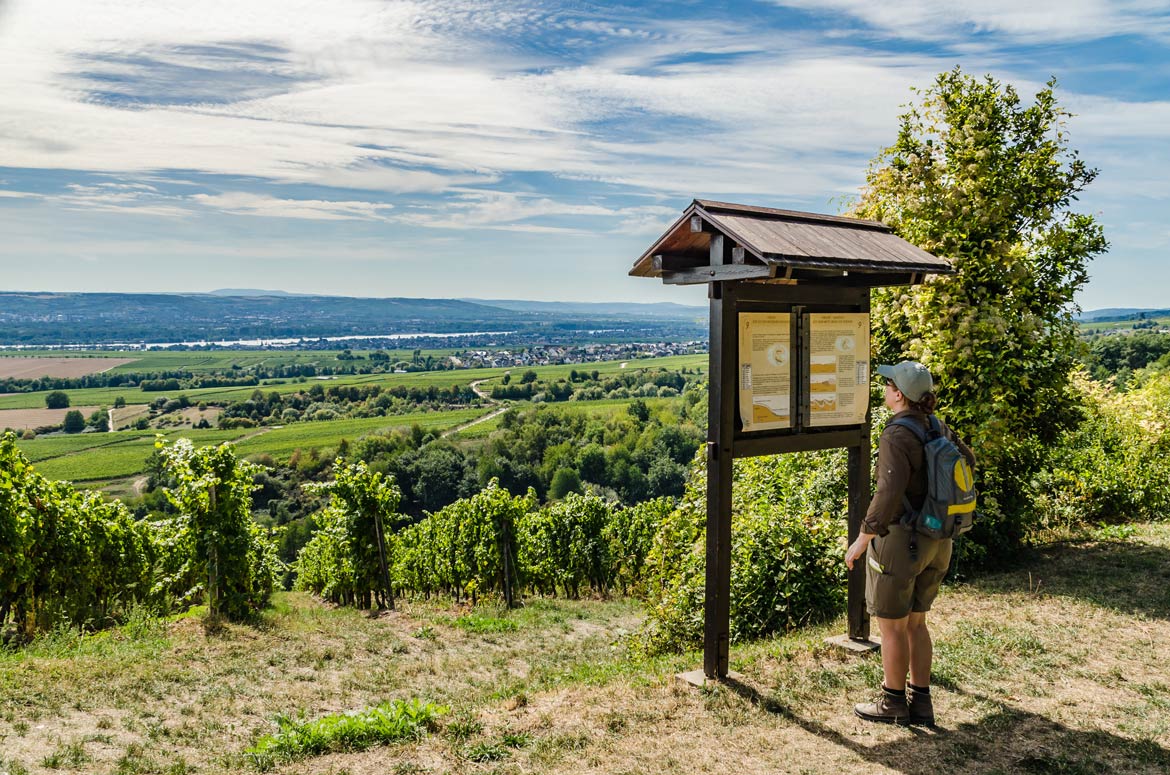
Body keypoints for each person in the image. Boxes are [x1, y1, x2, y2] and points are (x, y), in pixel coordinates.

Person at [844, 360, 974, 726]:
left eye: (887, 384)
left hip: (903, 542)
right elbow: (969, 460)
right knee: (917, 624)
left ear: (898, 394)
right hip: (938, 540)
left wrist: (861, 540)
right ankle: (921, 702)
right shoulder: (936, 425)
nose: (884, 389)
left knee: (892, 627)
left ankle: (893, 702)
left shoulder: (896, 434)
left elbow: (887, 494)